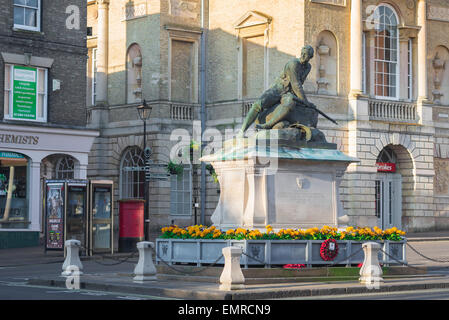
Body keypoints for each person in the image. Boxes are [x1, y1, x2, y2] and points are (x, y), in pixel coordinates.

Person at [237, 45, 315, 137]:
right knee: (258, 104)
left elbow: (299, 84)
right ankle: (242, 131)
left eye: (305, 55)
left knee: (290, 103)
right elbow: (296, 84)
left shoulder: (308, 67)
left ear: (310, 57)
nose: (302, 56)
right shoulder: (293, 63)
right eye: (302, 53)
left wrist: (303, 101)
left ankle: (268, 125)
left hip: (289, 93)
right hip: (279, 89)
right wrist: (305, 101)